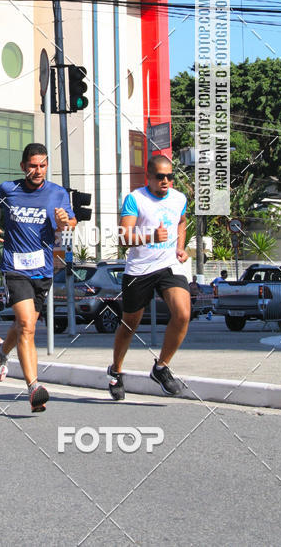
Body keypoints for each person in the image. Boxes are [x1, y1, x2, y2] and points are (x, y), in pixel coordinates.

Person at [0, 143, 76, 413]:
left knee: (25, 325)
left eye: (43, 166)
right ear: (23, 166)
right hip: (14, 266)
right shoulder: (8, 190)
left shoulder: (58, 194)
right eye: (33, 166)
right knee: (27, 325)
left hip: (43, 269)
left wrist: (64, 222)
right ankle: (34, 388)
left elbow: (70, 224)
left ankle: (2, 351)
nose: (38, 171)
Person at [107, 155, 189, 401]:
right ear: (149, 178)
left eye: (170, 177)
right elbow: (123, 238)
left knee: (183, 314)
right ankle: (116, 371)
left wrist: (180, 247)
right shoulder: (135, 199)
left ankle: (161, 368)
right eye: (160, 177)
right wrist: (150, 237)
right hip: (139, 269)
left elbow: (182, 222)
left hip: (168, 266)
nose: (166, 181)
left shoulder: (179, 199)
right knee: (130, 324)